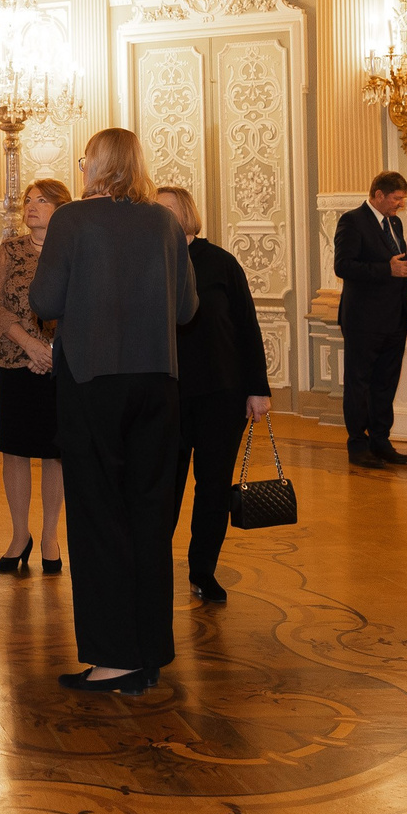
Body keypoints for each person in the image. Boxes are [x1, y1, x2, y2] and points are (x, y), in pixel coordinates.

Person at [30, 129, 197, 693]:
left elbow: (45, 302)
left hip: (92, 383)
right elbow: (187, 307)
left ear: (96, 165)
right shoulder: (164, 223)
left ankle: (113, 659)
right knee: (150, 519)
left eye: (84, 161)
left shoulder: (72, 220)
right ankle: (148, 651)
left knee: (99, 519)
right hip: (158, 385)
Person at [156, 186, 272, 604]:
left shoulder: (221, 262)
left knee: (213, 487)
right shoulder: (147, 261)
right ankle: (153, 567)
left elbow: (246, 326)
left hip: (222, 394)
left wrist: (258, 389)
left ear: (187, 213)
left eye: (167, 208)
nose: (160, 215)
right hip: (165, 393)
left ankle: (203, 569)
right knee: (163, 484)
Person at [0, 177, 71, 577]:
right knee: (16, 450)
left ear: (62, 207)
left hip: (62, 364)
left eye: (42, 200)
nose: (31, 206)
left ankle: (50, 535)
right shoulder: (11, 249)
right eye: (28, 200)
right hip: (17, 363)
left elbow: (82, 305)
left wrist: (50, 351)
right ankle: (20, 536)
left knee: (56, 452)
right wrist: (31, 347)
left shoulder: (73, 249)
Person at [333, 171, 407, 469]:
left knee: (385, 383)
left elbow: (394, 261)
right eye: (396, 199)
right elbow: (343, 266)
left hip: (394, 316)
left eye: (401, 200)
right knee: (360, 383)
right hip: (364, 319)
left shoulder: (393, 222)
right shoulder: (352, 220)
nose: (399, 205)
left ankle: (381, 441)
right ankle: (358, 444)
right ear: (379, 194)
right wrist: (388, 270)